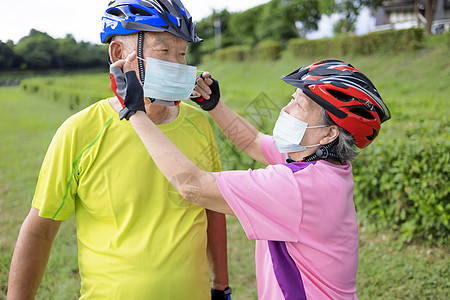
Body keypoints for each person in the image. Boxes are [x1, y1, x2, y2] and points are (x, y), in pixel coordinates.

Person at [108, 56, 391, 299]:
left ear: (329, 133)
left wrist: (135, 113)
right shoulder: (325, 167)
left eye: (299, 106)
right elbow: (254, 141)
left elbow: (192, 185)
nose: (284, 109)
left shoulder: (295, 187)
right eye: (291, 99)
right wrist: (213, 104)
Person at [7, 1, 231, 299]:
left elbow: (213, 209)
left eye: (182, 53)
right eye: (164, 52)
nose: (178, 64)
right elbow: (41, 229)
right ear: (118, 54)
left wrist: (221, 285)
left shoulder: (199, 123)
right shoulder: (79, 131)